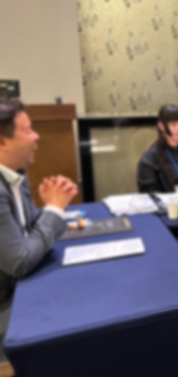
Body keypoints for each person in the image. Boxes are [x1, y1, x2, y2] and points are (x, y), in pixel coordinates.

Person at [0, 98, 78, 362]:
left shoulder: (15, 172)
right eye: (28, 130)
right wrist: (54, 210)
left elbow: (26, 232)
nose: (37, 136)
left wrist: (49, 207)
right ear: (2, 142)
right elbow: (20, 261)